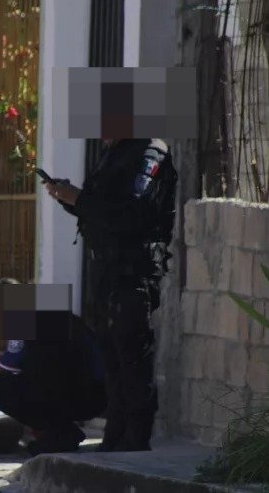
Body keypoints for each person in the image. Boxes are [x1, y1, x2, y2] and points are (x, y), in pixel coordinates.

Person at [43, 138, 177, 452]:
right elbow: (100, 210)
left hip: (134, 271)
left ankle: (136, 435)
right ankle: (116, 431)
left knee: (132, 354)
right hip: (106, 272)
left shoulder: (150, 153)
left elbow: (132, 214)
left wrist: (80, 199)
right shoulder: (111, 156)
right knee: (111, 355)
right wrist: (68, 198)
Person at [0, 279, 106, 455]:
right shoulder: (56, 314)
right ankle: (59, 430)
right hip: (98, 396)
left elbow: (1, 373)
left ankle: (59, 433)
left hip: (79, 396)